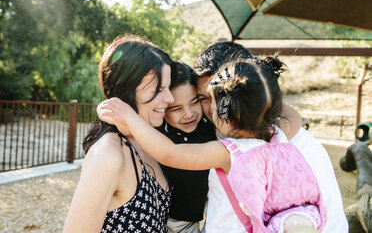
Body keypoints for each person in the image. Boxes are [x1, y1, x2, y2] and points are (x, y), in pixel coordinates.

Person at [98, 57, 325, 233]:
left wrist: (130, 117)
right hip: (295, 217)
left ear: (224, 117)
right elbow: (288, 115)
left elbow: (170, 153)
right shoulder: (278, 138)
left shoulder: (228, 152)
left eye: (208, 104)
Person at [194, 41, 348, 233]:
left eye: (221, 97)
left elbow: (331, 224)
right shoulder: (212, 137)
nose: (212, 108)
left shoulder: (302, 150)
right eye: (203, 99)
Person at [63, 34, 175, 233]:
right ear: (125, 90)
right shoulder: (109, 154)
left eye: (168, 87)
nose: (170, 98)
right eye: (159, 89)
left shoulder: (150, 139)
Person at [157, 61, 216, 232]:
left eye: (195, 102)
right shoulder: (155, 132)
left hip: (188, 225)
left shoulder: (211, 129)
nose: (189, 114)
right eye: (176, 108)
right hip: (154, 219)